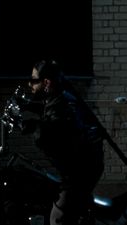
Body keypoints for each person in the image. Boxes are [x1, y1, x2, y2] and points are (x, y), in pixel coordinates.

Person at [24, 60, 104, 225]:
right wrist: (27, 106)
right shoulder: (57, 97)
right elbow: (48, 110)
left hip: (80, 171)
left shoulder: (63, 104)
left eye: (34, 80)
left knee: (58, 218)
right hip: (81, 166)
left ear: (46, 82)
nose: (30, 84)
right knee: (78, 211)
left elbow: (54, 129)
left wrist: (31, 126)